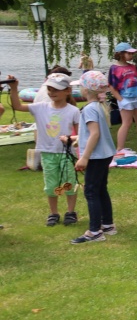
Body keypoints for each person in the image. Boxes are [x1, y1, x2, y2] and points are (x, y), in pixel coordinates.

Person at [8, 72, 81, 226]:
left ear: (67, 91)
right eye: (49, 89)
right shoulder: (40, 107)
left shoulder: (73, 111)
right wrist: (14, 88)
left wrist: (72, 142)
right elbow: (17, 106)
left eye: (56, 89)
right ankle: (54, 213)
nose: (51, 92)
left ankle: (70, 212)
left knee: (69, 182)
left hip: (67, 154)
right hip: (47, 153)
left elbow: (80, 135)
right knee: (51, 185)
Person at [71, 70, 118, 243]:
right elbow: (93, 133)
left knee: (91, 191)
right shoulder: (99, 106)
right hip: (105, 154)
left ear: (86, 90)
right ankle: (107, 224)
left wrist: (84, 157)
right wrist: (77, 140)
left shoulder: (90, 109)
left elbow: (95, 134)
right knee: (100, 188)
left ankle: (94, 231)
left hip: (96, 156)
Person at [108, 42, 137, 153]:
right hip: (125, 98)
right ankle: (120, 148)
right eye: (129, 53)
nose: (131, 55)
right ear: (121, 54)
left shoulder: (132, 67)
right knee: (127, 123)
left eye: (132, 53)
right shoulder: (114, 68)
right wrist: (121, 100)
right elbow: (112, 87)